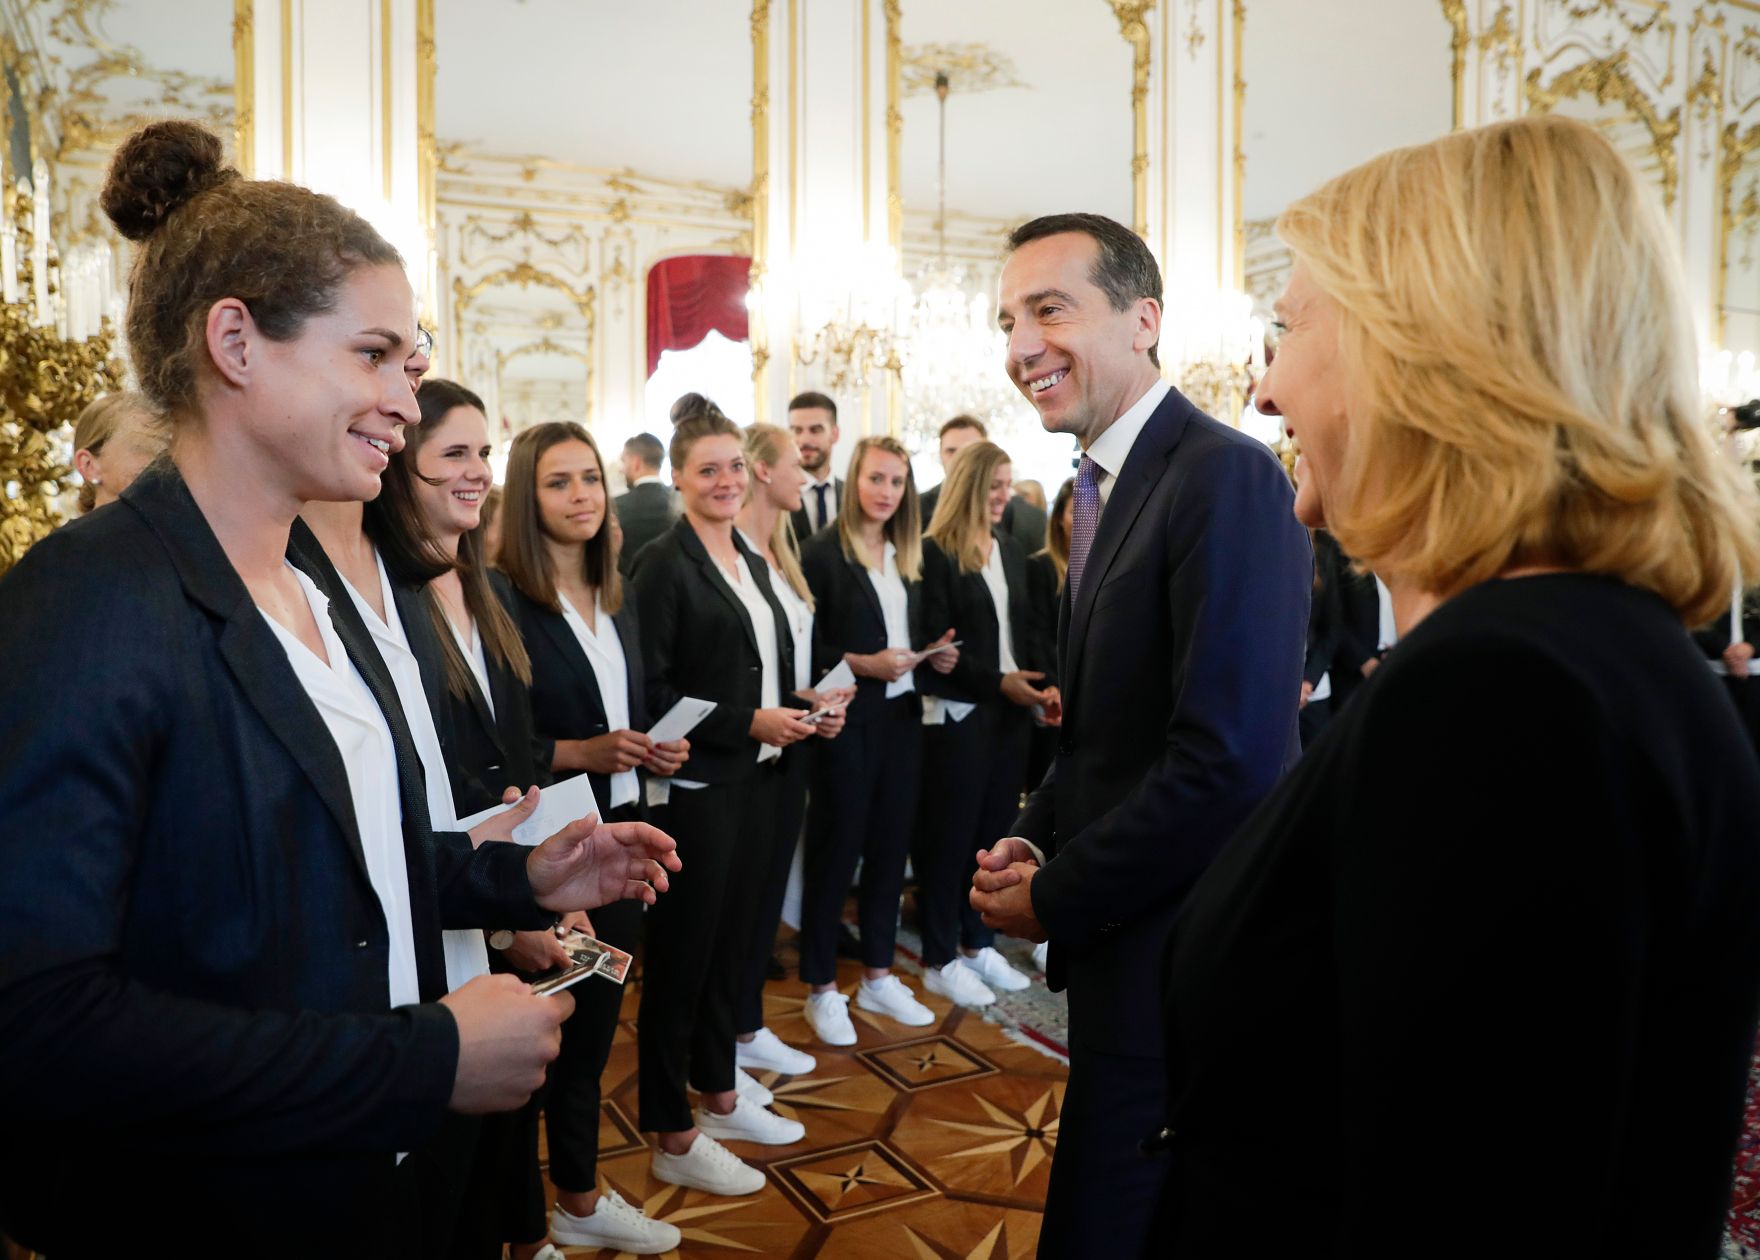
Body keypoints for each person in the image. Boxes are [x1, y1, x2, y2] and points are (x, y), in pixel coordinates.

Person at [0, 120, 680, 1253]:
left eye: (406, 367)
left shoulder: (313, 590)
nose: (407, 407)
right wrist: (425, 1059)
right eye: (373, 357)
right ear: (236, 342)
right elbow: (40, 1021)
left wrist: (515, 874)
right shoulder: (90, 599)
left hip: (374, 1176)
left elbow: (323, 862)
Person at [1154, 114, 1760, 1258]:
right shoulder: (1579, 651)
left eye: (1282, 331)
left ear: (1419, 354)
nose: (1264, 390)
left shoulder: (1497, 698)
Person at [969, 211, 1311, 1257]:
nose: (1021, 344)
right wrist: (1037, 827)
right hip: (1128, 949)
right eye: (1006, 319)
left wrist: (1052, 895)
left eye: (1049, 308)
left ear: (1142, 319)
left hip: (1184, 951)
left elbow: (1229, 760)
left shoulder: (1224, 476)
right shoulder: (1101, 487)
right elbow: (1103, 730)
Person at [497, 420, 685, 1255]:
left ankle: (576, 1194)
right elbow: (497, 745)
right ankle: (521, 1225)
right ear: (526, 497)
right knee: (535, 1051)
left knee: (593, 1037)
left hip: (621, 845)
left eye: (589, 479)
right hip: (551, 861)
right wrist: (583, 751)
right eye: (558, 482)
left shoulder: (616, 594)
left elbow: (625, 713)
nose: (581, 496)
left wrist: (652, 742)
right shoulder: (507, 599)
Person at [630, 401, 817, 1196]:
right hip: (696, 787)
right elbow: (652, 687)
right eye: (708, 469)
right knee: (682, 962)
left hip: (760, 778)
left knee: (735, 947)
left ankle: (720, 1093)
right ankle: (671, 1128)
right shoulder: (661, 562)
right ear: (677, 476)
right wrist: (751, 721)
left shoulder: (749, 551)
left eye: (736, 466)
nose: (726, 481)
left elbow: (759, 664)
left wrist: (802, 704)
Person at [798, 436, 958, 1045]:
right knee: (836, 853)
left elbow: (908, 639)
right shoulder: (819, 554)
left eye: (896, 481)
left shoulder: (907, 555)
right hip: (846, 719)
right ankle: (820, 987)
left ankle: (879, 974)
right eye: (876, 479)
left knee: (893, 850)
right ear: (852, 480)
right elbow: (804, 649)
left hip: (902, 719)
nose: (886, 492)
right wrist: (864, 664)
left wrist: (931, 656)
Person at [733, 422, 852, 1080]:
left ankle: (747, 1027)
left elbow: (789, 666)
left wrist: (819, 704)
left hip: (792, 743)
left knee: (768, 894)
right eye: (794, 465)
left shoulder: (784, 549)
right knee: (744, 904)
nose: (807, 477)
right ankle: (731, 1035)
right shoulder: (736, 556)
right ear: (761, 471)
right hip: (748, 751)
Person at [916, 439, 1050, 1006]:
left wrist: (1041, 691)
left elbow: (1020, 636)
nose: (1005, 496)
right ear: (969, 485)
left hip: (1010, 714)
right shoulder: (934, 552)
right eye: (995, 485)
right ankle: (939, 955)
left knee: (996, 832)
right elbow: (937, 650)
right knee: (950, 840)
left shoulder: (1012, 548)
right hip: (960, 716)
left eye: (1008, 484)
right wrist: (999, 682)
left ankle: (977, 942)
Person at [70, 390, 165, 511]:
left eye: (165, 449)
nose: (161, 462)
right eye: (140, 447)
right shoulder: (77, 531)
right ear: (89, 466)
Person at [615, 431, 675, 575]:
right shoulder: (679, 501)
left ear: (636, 463)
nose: (622, 470)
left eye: (624, 461)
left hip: (631, 590)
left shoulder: (615, 505)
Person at [787, 390, 843, 538]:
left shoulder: (853, 494)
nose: (804, 440)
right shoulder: (778, 496)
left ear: (835, 434)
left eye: (815, 430)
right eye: (797, 430)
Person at [917, 413, 988, 525]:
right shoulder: (917, 508)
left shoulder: (1007, 509)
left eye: (969, 450)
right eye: (951, 451)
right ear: (940, 454)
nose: (959, 458)